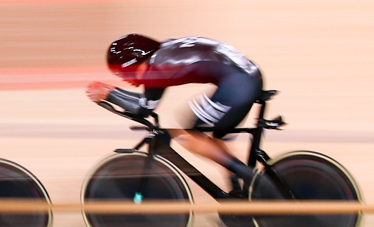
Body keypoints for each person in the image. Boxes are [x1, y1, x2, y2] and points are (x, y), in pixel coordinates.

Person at [87, 34, 262, 188]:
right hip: (246, 77)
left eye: (124, 73)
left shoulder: (155, 69)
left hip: (238, 84)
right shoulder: (161, 54)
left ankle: (255, 180)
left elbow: (143, 108)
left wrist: (109, 93)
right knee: (214, 140)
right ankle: (240, 193)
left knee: (186, 133)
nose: (125, 79)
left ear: (134, 63)